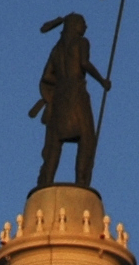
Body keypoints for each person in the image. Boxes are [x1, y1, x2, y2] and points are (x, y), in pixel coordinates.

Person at [32, 11, 109, 187]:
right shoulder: (81, 42)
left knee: (54, 142)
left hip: (60, 98)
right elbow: (84, 63)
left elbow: (47, 76)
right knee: (87, 137)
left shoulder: (57, 49)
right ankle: (82, 182)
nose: (86, 27)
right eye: (83, 23)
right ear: (74, 26)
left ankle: (46, 182)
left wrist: (56, 87)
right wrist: (102, 81)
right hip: (77, 95)